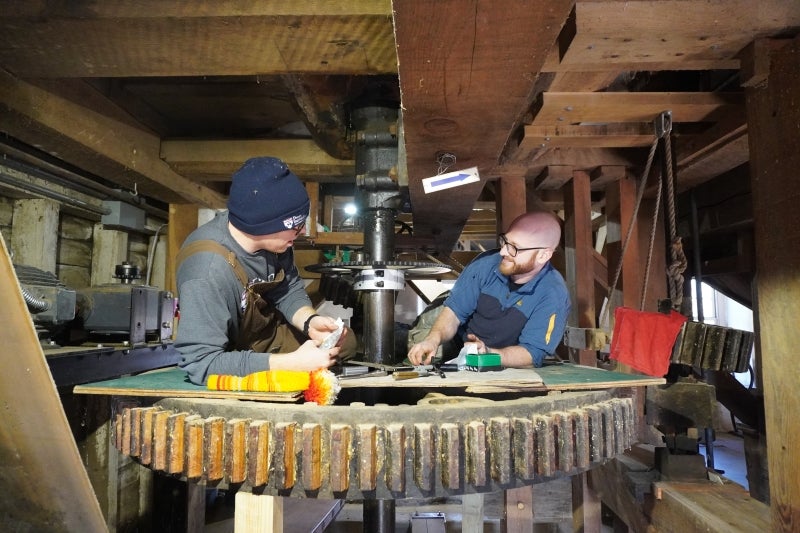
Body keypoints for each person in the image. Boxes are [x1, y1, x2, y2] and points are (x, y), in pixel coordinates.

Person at [174, 156, 356, 385]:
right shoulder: (206, 271)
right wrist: (292, 363)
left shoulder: (277, 243)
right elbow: (202, 363)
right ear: (262, 224)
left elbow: (288, 288)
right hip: (228, 355)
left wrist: (310, 321)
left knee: (344, 344)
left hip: (265, 337)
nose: (299, 233)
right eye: (294, 226)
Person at [407, 211, 570, 368]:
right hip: (453, 329)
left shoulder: (553, 294)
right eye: (505, 241)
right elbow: (454, 313)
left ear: (543, 255)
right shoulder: (486, 263)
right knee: (409, 346)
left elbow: (532, 353)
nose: (503, 251)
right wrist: (432, 339)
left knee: (416, 351)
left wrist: (489, 354)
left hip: (484, 353)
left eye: (515, 248)